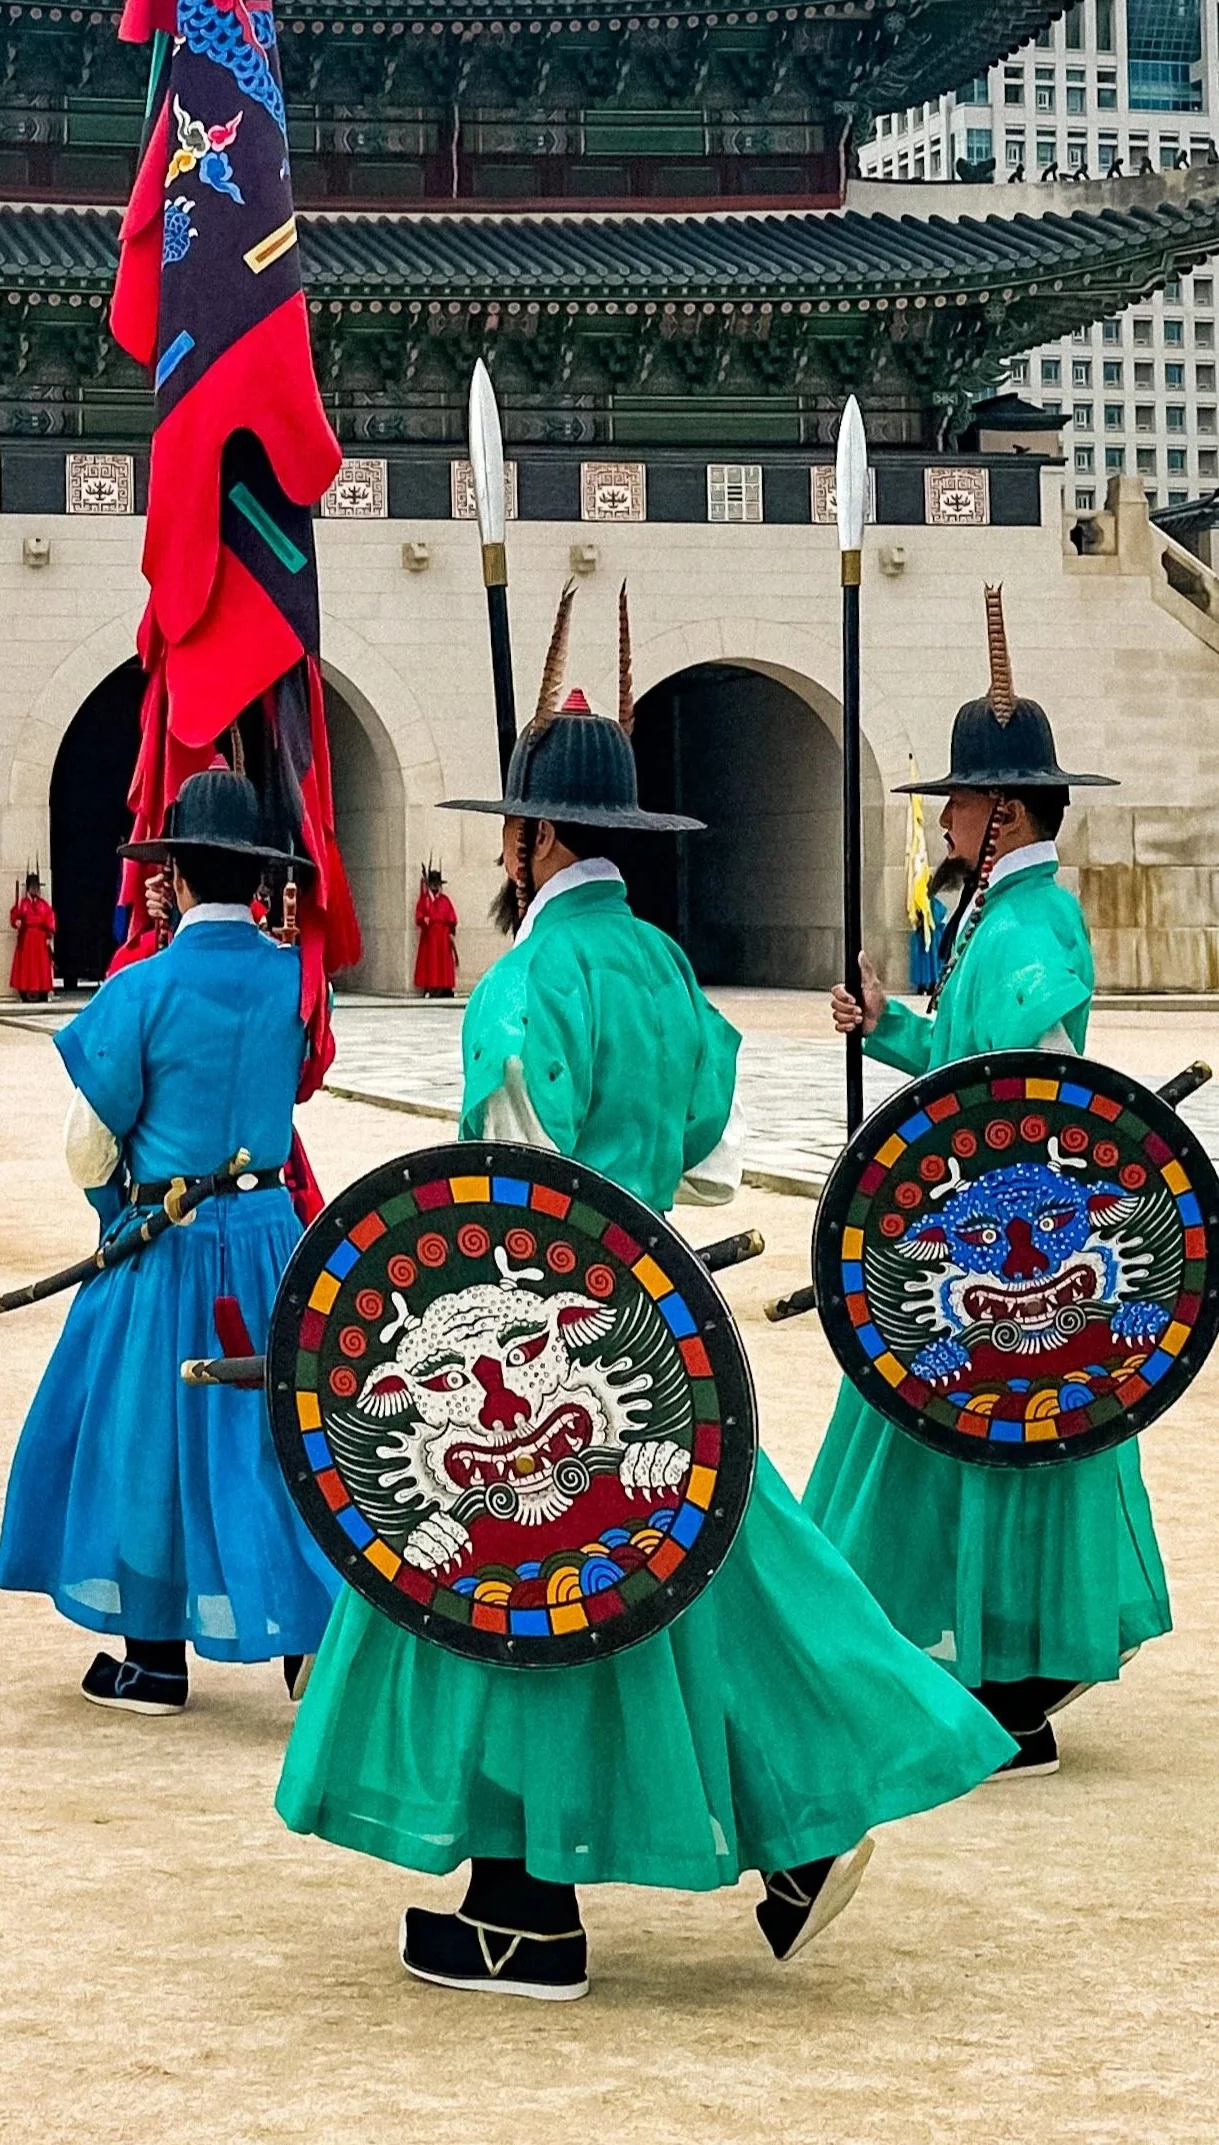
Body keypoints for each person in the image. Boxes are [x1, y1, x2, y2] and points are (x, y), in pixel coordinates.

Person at [276, 600, 1009, 1997]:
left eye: (510, 831)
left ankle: (521, 1907)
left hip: (541, 1342)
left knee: (509, 1598)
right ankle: (798, 1827)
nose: (501, 851)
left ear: (534, 840)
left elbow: (500, 1192)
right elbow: (706, 1143)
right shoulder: (663, 964)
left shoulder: (525, 982)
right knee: (715, 1569)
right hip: (653, 1315)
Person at [808, 585, 1165, 1778]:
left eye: (959, 801)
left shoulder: (1020, 928)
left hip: (1005, 1247)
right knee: (971, 1456)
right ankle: (988, 1673)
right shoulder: (1008, 917)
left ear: (1003, 813)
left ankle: (1002, 1678)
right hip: (991, 1230)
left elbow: (1029, 1097)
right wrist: (889, 1028)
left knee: (974, 1451)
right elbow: (973, 1067)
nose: (946, 817)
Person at [0, 770, 340, 1712]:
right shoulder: (299, 982)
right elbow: (297, 1086)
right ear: (256, 877)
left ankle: (152, 1659)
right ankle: (303, 1640)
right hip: (271, 1239)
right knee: (279, 1438)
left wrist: (118, 1211)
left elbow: (88, 1141)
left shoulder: (140, 986)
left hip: (164, 1242)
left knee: (141, 1440)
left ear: (175, 874)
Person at [412, 863, 459, 996]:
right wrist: (424, 920)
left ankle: (446, 988)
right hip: (430, 935)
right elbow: (419, 916)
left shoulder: (445, 900)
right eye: (432, 883)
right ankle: (429, 988)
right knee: (429, 961)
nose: (434, 886)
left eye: (437, 883)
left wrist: (451, 930)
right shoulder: (424, 900)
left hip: (443, 936)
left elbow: (452, 918)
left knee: (444, 963)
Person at [9, 872, 58, 1002]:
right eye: (32, 886)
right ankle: (24, 991)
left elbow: (50, 919)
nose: (34, 889)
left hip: (40, 939)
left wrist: (49, 935)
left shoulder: (43, 905)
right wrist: (16, 921)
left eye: (36, 886)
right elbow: (15, 916)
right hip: (26, 938)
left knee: (41, 966)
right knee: (26, 966)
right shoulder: (23, 904)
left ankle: (42, 991)